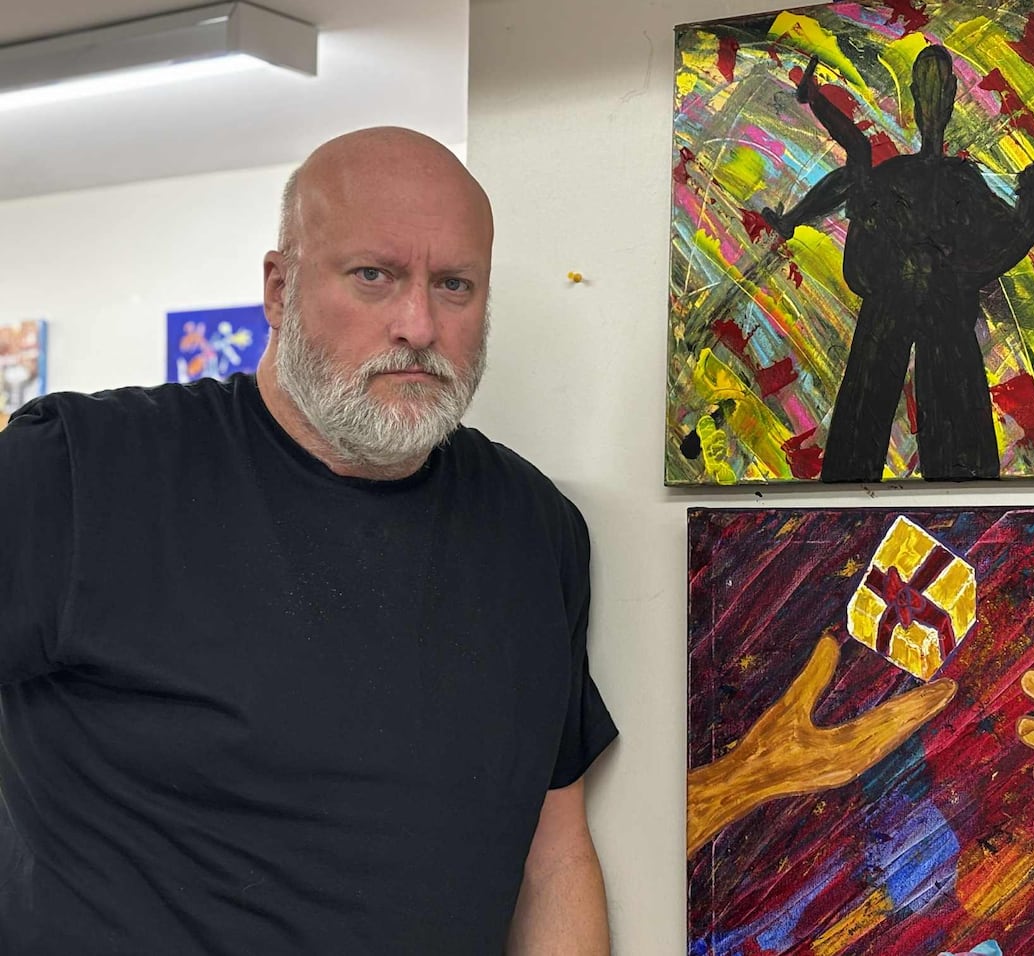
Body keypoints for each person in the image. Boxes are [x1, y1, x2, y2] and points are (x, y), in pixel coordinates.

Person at [0, 127, 617, 954]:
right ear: (278, 288)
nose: (418, 325)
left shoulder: (535, 529)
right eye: (375, 276)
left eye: (455, 285)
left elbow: (553, 855)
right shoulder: (79, 472)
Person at [764, 48, 1034, 481]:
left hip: (913, 310)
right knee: (937, 440)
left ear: (929, 97)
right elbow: (998, 245)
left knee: (877, 430)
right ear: (947, 95)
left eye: (936, 89)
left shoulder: (926, 178)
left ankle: (868, 487)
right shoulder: (954, 181)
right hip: (927, 312)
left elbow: (851, 172)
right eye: (933, 89)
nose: (934, 101)